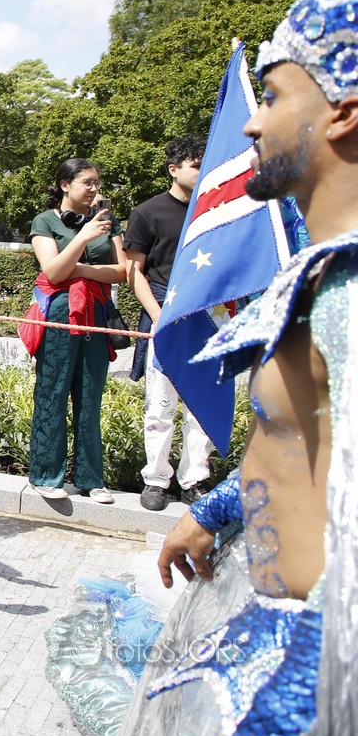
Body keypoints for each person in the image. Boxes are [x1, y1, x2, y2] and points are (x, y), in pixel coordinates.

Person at [129, 0, 358, 736]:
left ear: (343, 111)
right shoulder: (327, 278)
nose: (252, 123)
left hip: (313, 692)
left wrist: (296, 710)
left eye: (274, 95)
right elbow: (300, 440)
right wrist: (217, 510)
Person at [25, 158, 128, 503]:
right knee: (52, 392)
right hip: (59, 315)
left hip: (95, 313)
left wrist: (80, 269)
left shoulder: (107, 220)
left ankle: (90, 477)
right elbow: (53, 272)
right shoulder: (45, 221)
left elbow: (121, 272)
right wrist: (83, 237)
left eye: (97, 182)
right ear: (65, 185)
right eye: (87, 182)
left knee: (90, 396)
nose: (94, 189)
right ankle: (45, 474)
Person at [124, 135, 215, 511]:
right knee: (160, 405)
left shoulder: (216, 210)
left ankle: (195, 479)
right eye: (195, 164)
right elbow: (133, 272)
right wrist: (159, 316)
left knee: (201, 405)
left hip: (207, 320)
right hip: (164, 317)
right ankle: (157, 479)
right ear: (173, 169)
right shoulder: (148, 212)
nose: (202, 170)